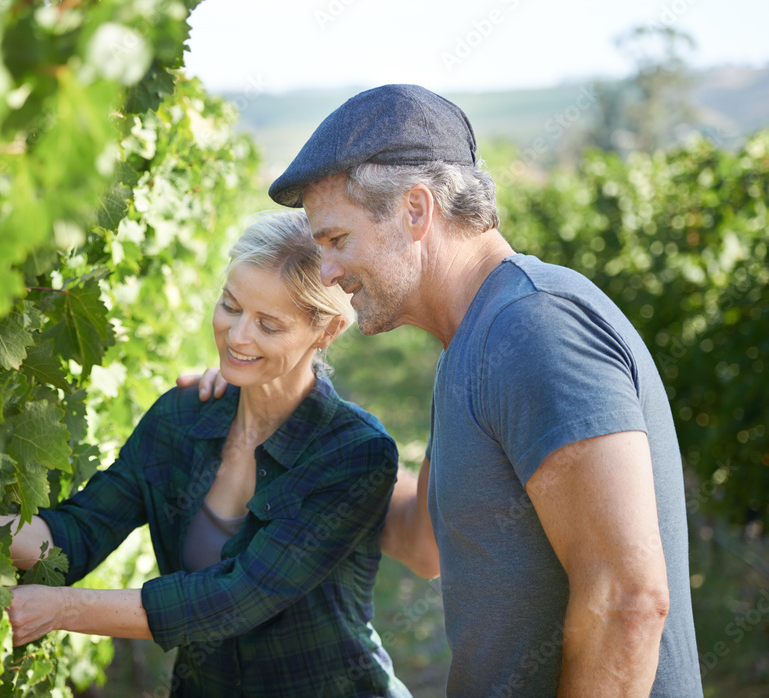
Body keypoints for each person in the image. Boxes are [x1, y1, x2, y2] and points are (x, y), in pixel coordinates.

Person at [188, 84, 703, 696]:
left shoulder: (533, 329)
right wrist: (274, 409)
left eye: (336, 241)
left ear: (415, 210)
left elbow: (627, 600)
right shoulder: (471, 345)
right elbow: (421, 541)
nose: (325, 271)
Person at [2, 210, 413, 697]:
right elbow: (79, 533)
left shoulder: (353, 452)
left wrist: (61, 609)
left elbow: (236, 597)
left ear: (324, 333)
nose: (238, 336)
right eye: (230, 306)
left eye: (269, 324)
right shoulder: (181, 417)